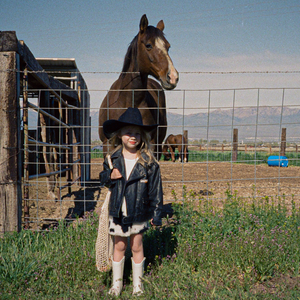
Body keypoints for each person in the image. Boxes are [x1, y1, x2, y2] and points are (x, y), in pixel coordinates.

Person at [99, 107, 163, 296]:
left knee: (137, 246)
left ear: (143, 136)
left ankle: (138, 286)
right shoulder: (112, 159)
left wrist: (156, 213)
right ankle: (116, 284)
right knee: (119, 245)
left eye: (137, 133)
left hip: (139, 211)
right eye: (128, 132)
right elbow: (103, 179)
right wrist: (110, 175)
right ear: (119, 135)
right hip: (118, 210)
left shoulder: (149, 162)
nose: (133, 137)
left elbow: (156, 191)